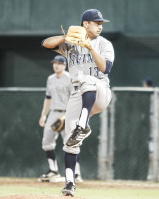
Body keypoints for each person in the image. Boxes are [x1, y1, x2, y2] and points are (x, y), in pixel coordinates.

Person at [42, 9, 114, 196]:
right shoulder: (70, 44)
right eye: (96, 23)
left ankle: (83, 125)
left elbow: (105, 68)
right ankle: (69, 184)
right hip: (77, 95)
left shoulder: (105, 44)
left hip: (100, 91)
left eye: (101, 23)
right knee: (69, 142)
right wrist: (65, 37)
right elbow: (45, 44)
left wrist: (90, 47)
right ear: (85, 24)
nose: (100, 26)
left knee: (87, 79)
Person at [38, 55, 83, 183]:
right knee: (46, 141)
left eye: (59, 63)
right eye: (54, 63)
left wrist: (71, 116)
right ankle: (53, 170)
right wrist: (43, 115)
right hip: (53, 112)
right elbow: (48, 98)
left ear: (64, 65)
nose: (56, 65)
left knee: (71, 143)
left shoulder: (70, 78)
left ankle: (77, 173)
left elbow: (76, 99)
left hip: (67, 113)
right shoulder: (50, 79)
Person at [142, 77, 159, 182]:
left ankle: (156, 174)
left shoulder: (154, 95)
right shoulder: (144, 96)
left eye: (144, 84)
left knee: (155, 152)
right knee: (149, 153)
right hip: (147, 127)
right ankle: (151, 174)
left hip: (153, 126)